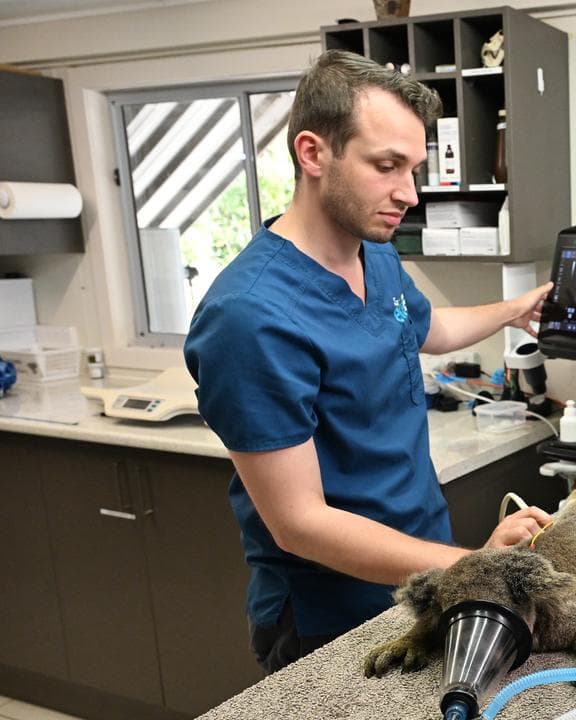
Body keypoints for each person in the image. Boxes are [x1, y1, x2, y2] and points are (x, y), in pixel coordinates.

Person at [184, 50, 552, 673]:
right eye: (386, 166)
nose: (408, 193)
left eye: (413, 168)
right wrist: (473, 567)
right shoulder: (249, 318)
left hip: (419, 575)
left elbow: (427, 327)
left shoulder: (371, 250)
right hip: (328, 615)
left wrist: (515, 308)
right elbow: (300, 524)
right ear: (312, 154)